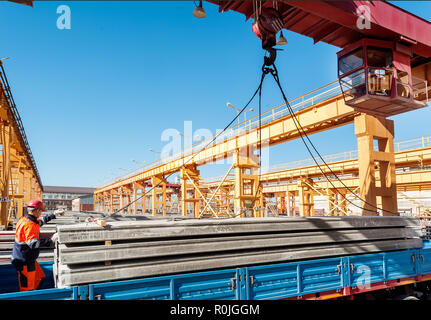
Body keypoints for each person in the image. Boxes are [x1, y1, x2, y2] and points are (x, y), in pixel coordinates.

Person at [10, 200, 64, 291]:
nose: (41, 212)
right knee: (27, 290)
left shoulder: (27, 220)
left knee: (40, 278)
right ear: (36, 210)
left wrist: (54, 214)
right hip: (24, 262)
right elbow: (34, 244)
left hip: (28, 259)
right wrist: (50, 240)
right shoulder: (29, 225)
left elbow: (41, 221)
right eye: (41, 210)